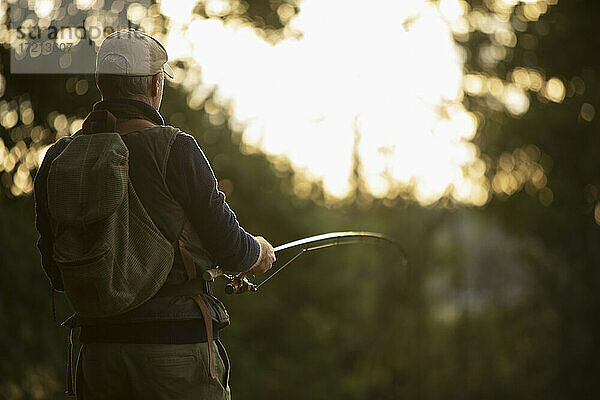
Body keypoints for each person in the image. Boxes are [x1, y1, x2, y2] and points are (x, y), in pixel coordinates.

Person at [34, 29, 275, 399]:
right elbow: (231, 248)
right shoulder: (176, 149)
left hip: (96, 354)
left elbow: (55, 269)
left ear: (101, 83)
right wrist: (257, 251)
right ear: (154, 86)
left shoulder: (58, 158)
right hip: (175, 353)